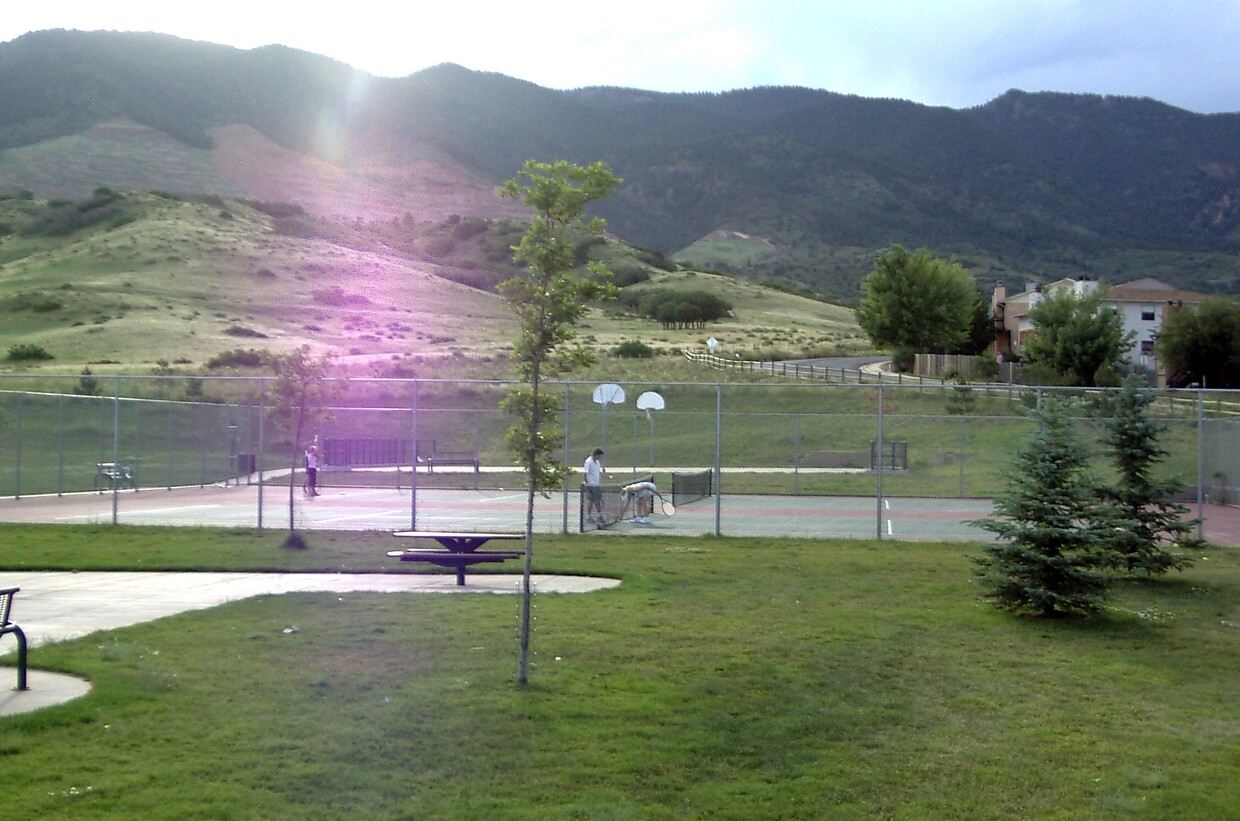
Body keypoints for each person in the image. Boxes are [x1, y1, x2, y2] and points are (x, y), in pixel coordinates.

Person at [583, 448, 606, 523]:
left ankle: (599, 515)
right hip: (590, 484)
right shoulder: (588, 462)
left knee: (597, 499)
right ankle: (588, 516)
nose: (599, 458)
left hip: (596, 484)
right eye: (599, 456)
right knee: (591, 500)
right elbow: (585, 474)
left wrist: (604, 475)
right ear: (595, 455)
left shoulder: (597, 462)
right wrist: (587, 484)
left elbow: (598, 472)